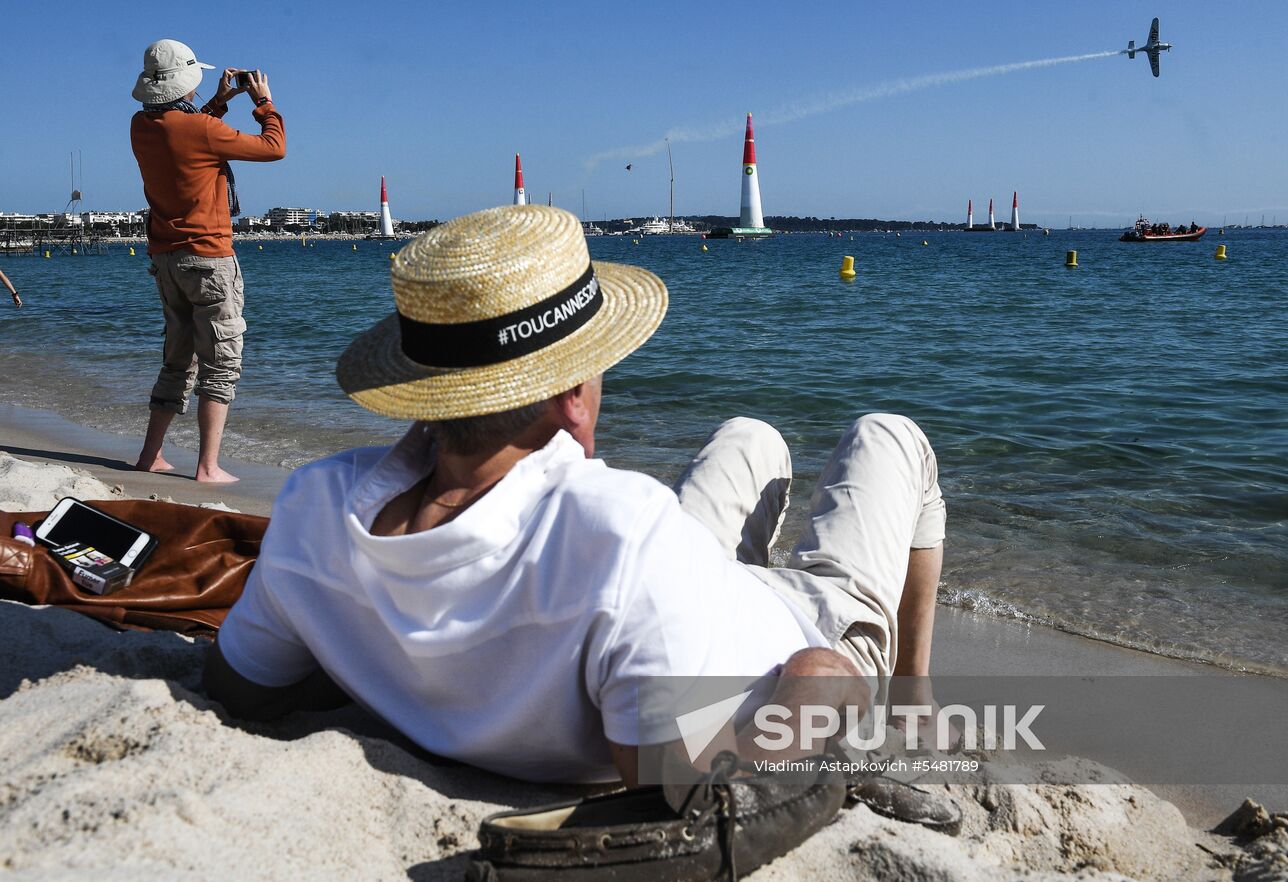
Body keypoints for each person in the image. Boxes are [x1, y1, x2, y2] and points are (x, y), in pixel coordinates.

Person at [203, 206, 946, 785]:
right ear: (571, 400)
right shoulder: (620, 535)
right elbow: (692, 791)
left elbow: (247, 690)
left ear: (425, 391)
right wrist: (819, 684)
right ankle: (911, 700)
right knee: (890, 435)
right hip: (801, 626)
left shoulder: (315, 510)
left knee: (751, 436)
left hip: (682, 598)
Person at [129, 39, 286, 483]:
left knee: (177, 360)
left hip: (166, 260)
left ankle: (150, 456)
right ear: (187, 86)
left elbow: (187, 133)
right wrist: (262, 102)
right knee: (220, 362)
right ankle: (207, 467)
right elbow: (274, 147)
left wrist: (217, 102)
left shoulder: (141, 125)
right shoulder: (200, 130)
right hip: (209, 258)